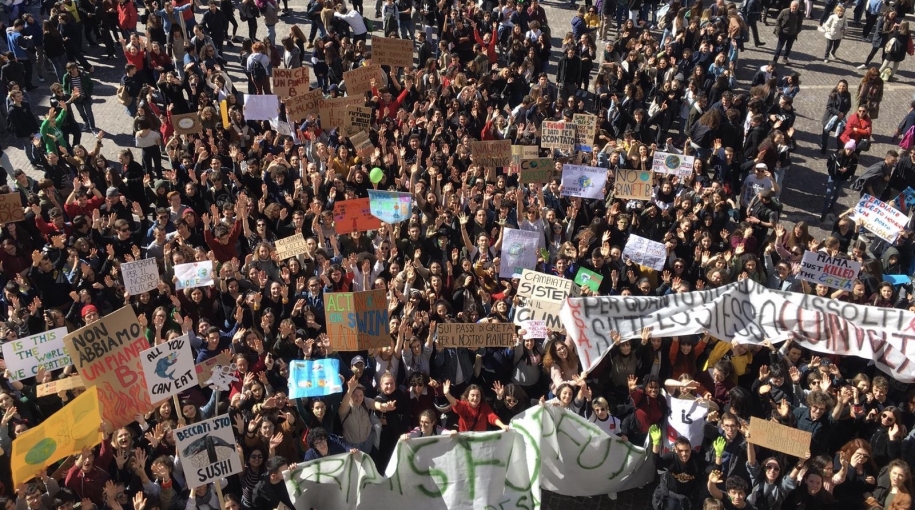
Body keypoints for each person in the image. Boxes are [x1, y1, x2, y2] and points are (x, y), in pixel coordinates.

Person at [821, 140, 859, 221]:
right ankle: (824, 212)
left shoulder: (854, 159)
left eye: (851, 150)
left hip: (843, 178)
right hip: (833, 175)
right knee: (829, 193)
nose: (849, 151)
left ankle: (831, 206)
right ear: (845, 148)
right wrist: (832, 169)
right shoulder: (838, 154)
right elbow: (830, 160)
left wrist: (847, 170)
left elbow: (853, 169)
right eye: (848, 149)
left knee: (837, 192)